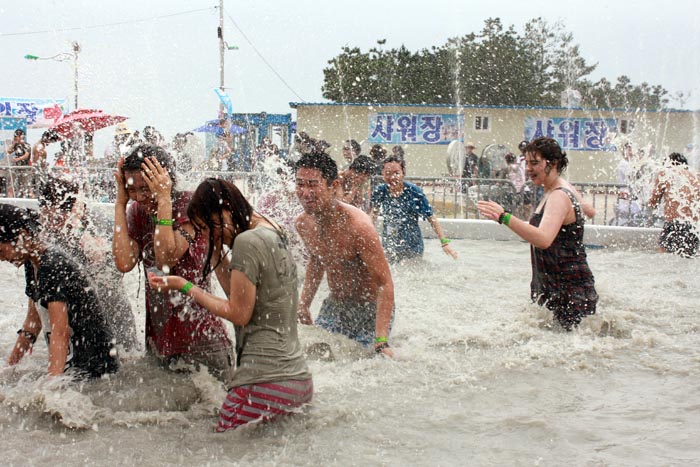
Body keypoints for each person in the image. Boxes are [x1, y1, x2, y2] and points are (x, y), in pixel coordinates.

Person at [148, 178, 312, 432]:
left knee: (218, 447)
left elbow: (238, 313)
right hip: (296, 380)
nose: (207, 235)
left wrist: (185, 286)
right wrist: (214, 250)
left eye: (206, 226)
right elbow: (239, 295)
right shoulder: (271, 230)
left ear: (224, 210)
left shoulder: (246, 242)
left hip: (262, 380)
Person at [112, 144, 234, 380]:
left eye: (145, 188)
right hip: (160, 340)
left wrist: (164, 201)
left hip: (203, 341)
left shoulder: (191, 206)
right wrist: (120, 204)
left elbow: (166, 258)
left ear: (164, 180)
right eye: (132, 190)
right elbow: (124, 262)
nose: (138, 196)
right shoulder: (137, 212)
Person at [477, 137, 598, 330]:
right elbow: (590, 211)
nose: (528, 169)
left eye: (535, 163)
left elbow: (543, 239)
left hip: (569, 290)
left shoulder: (559, 195)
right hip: (556, 287)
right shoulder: (556, 190)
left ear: (553, 163)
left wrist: (504, 217)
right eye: (527, 163)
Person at [0, 204, 119, 379]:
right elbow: (32, 324)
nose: (2, 259)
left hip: (95, 368)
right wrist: (9, 368)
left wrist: (53, 386)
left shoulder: (52, 266)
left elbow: (60, 332)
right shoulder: (32, 262)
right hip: (75, 361)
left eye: (1, 250)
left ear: (22, 236)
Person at [294, 152, 395, 356]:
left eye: (313, 184)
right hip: (335, 307)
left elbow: (385, 283)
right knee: (313, 354)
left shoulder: (359, 227)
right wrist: (303, 305)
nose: (305, 192)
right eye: (300, 184)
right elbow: (317, 259)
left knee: (365, 364)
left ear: (333, 185)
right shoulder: (303, 224)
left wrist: (382, 340)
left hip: (370, 310)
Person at [39, 176, 140, 351]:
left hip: (113, 314)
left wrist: (95, 248)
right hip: (76, 322)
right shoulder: (46, 236)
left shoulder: (97, 224)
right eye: (45, 211)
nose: (50, 219)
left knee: (126, 353)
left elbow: (119, 268)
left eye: (58, 212)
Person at [371, 156, 458, 262]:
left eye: (396, 173)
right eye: (388, 173)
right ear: (382, 175)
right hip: (389, 245)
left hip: (412, 247)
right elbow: (373, 216)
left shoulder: (413, 191)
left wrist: (444, 243)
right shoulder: (380, 191)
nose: (392, 177)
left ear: (403, 173)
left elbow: (431, 218)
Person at [648, 152, 700, 257]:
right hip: (694, 227)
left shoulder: (665, 174)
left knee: (664, 259)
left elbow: (653, 202)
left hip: (674, 224)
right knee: (688, 261)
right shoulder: (697, 176)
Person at [7, 129, 32, 197]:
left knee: (25, 184)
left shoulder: (26, 145)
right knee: (17, 184)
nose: (16, 138)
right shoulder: (16, 145)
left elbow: (26, 155)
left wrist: (18, 159)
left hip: (25, 167)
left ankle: (28, 197)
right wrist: (14, 144)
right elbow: (9, 151)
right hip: (17, 168)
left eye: (17, 136)